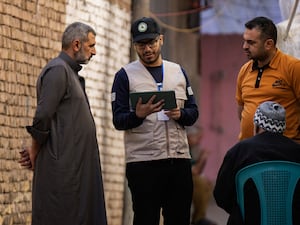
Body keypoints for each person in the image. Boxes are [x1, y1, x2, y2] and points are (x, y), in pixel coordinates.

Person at [111, 17, 199, 225]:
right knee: (145, 219)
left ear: (161, 40)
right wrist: (138, 115)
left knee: (179, 219)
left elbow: (193, 112)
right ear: (134, 46)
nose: (147, 49)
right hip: (143, 164)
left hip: (178, 162)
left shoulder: (178, 71)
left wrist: (181, 114)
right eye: (141, 45)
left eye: (151, 42)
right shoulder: (124, 76)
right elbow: (118, 120)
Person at [18, 22, 107, 225]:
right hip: (63, 172)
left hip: (76, 170)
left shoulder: (70, 73)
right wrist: (34, 150)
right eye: (91, 45)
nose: (94, 51)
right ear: (76, 44)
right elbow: (42, 116)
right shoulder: (58, 71)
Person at [213, 101, 300, 225]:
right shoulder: (297, 152)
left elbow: (221, 196)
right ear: (282, 128)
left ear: (256, 125)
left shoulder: (239, 151)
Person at [236, 16, 300, 142]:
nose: (244, 46)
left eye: (251, 42)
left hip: (284, 152)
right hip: (250, 152)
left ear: (269, 44)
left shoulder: (293, 67)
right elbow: (242, 111)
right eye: (244, 41)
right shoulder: (244, 70)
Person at [187, 125, 216, 225]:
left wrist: (202, 158)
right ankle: (198, 219)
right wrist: (203, 158)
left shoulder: (191, 149)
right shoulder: (184, 147)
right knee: (201, 182)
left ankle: (199, 217)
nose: (199, 141)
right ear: (189, 136)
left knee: (207, 183)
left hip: (188, 177)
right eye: (197, 138)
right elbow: (195, 171)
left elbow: (196, 169)